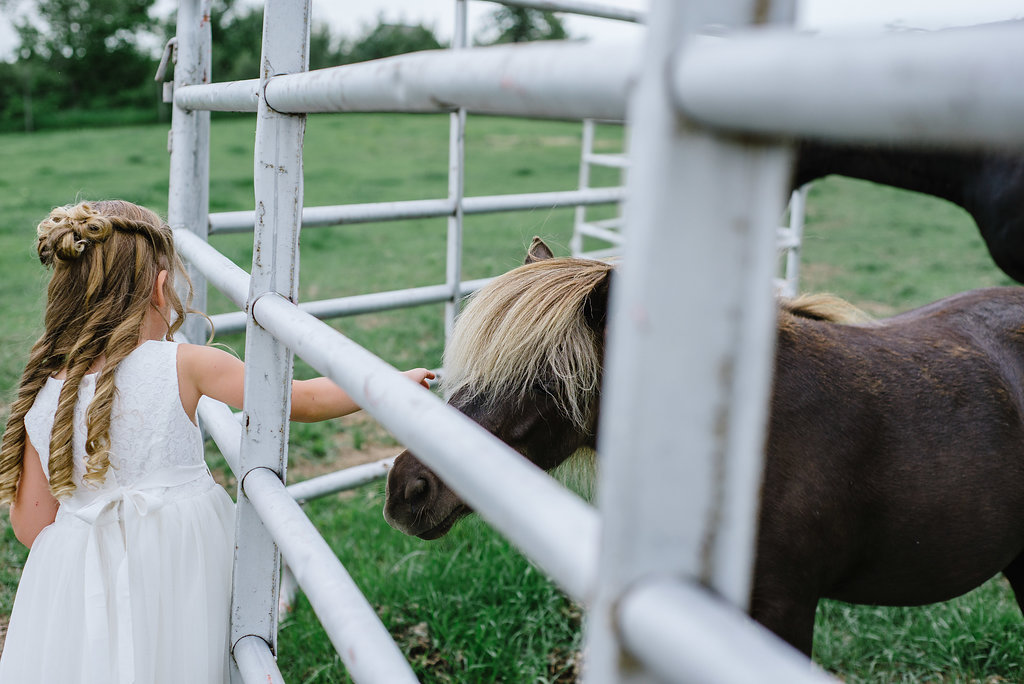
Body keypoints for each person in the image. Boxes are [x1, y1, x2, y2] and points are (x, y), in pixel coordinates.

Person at [0, 200, 434, 683]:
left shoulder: (44, 390)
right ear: (161, 290)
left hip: (86, 579)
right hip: (181, 567)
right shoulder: (184, 363)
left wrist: (98, 548)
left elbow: (31, 524)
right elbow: (302, 401)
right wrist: (388, 384)